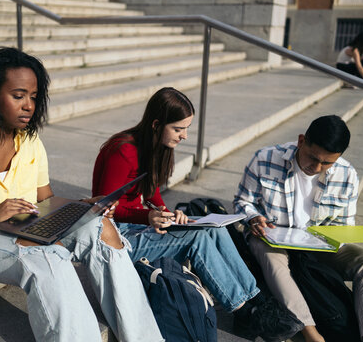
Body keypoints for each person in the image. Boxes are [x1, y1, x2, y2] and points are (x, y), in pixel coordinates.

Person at [0, 47, 164, 342]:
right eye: (18, 96)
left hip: (16, 225)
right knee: (46, 255)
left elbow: (46, 203)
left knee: (101, 229)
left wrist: (83, 208)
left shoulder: (29, 140)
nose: (29, 105)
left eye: (33, 96)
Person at [92, 87, 303, 342]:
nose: (185, 136)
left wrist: (169, 214)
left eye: (187, 128)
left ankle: (257, 301)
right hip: (115, 238)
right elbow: (104, 209)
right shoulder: (124, 150)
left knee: (213, 228)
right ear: (157, 124)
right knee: (197, 239)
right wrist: (147, 217)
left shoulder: (155, 146)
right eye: (179, 129)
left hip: (135, 228)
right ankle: (244, 309)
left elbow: (152, 194)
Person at [233, 115, 363, 342]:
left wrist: (328, 238)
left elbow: (343, 225)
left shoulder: (347, 175)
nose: (316, 167)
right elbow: (242, 202)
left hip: (317, 246)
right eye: (312, 158)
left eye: (327, 163)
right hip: (270, 238)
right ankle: (311, 334)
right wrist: (253, 217)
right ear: (301, 140)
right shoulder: (265, 159)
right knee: (271, 257)